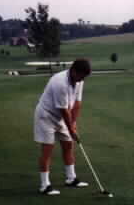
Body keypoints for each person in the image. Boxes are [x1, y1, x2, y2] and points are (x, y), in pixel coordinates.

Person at [34, 58, 92, 195]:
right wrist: (71, 129)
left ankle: (71, 178)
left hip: (61, 116)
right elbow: (64, 110)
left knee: (68, 145)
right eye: (81, 76)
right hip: (46, 116)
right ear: (74, 71)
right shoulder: (60, 83)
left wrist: (74, 123)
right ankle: (44, 186)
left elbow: (77, 103)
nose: (82, 80)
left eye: (84, 77)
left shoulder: (79, 80)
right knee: (48, 149)